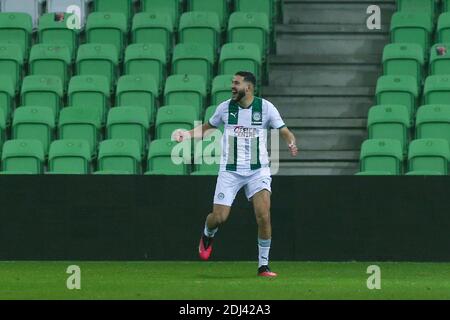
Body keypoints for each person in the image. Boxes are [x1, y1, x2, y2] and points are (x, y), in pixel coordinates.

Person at [173, 71, 298, 277]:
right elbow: (208, 128)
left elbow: (283, 130)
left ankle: (263, 266)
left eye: (236, 83)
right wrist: (186, 135)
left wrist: (290, 141)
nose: (232, 86)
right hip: (230, 171)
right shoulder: (224, 108)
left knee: (264, 216)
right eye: (232, 82)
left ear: (248, 88)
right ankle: (208, 232)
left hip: (258, 170)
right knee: (220, 217)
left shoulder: (265, 108)